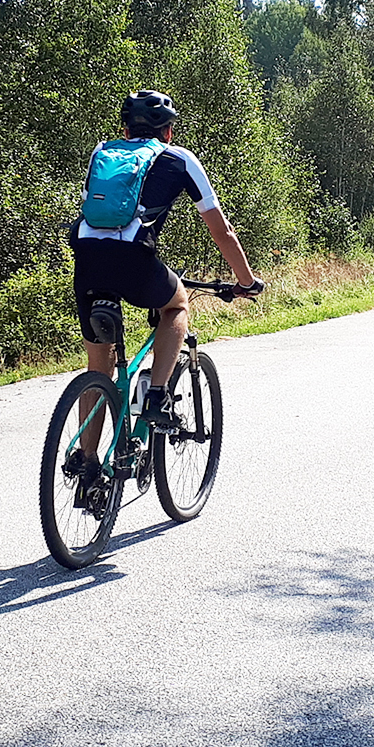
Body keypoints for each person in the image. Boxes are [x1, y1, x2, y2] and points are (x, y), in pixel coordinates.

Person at [68, 90, 262, 480]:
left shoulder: (102, 152)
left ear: (125, 127)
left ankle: (87, 463)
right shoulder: (180, 159)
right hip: (133, 262)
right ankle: (157, 396)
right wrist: (246, 281)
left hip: (87, 260)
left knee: (98, 367)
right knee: (175, 306)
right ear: (168, 131)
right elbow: (221, 230)